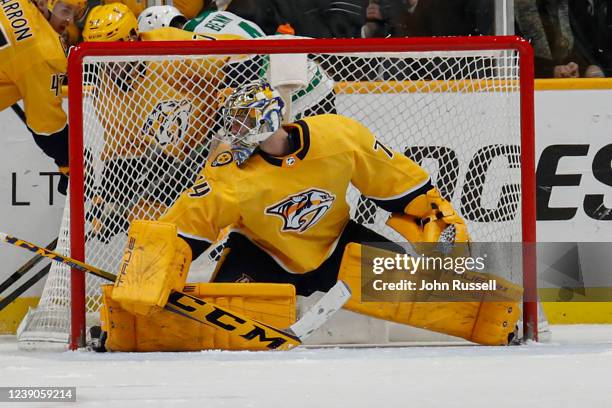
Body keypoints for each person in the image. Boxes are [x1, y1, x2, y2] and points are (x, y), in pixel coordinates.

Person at [118, 79, 520, 346]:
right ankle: (122, 331)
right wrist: (149, 271)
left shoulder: (340, 137)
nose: (235, 131)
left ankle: (505, 324)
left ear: (272, 119)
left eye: (244, 121)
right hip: (262, 256)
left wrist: (438, 231)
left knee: (443, 293)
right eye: (233, 122)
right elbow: (183, 230)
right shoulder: (230, 174)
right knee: (200, 325)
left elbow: (405, 194)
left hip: (339, 245)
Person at [0, 0, 87, 194]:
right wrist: (69, 159)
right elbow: (47, 127)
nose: (69, 20)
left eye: (77, 14)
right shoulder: (47, 53)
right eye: (65, 10)